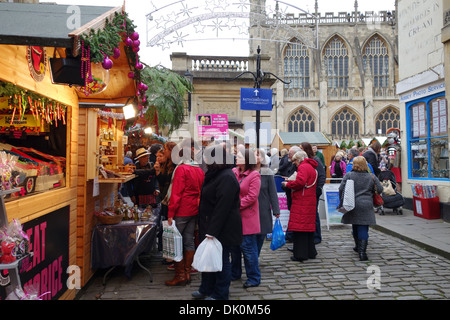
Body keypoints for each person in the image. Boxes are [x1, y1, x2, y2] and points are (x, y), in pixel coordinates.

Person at [191, 144, 242, 300]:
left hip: (222, 228)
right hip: (210, 225)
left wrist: (212, 231)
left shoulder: (226, 177)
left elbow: (222, 208)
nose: (204, 159)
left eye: (207, 156)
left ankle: (220, 293)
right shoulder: (214, 174)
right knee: (209, 259)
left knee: (221, 261)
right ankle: (206, 288)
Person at [165, 138, 205, 286]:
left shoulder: (182, 169)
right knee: (188, 241)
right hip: (194, 209)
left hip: (182, 210)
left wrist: (170, 213)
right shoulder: (199, 169)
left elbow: (176, 194)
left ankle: (180, 275)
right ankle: (187, 273)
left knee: (175, 242)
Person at [339, 156, 383, 261]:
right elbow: (380, 189)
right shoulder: (371, 176)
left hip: (352, 203)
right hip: (366, 204)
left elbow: (341, 188)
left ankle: (358, 246)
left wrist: (342, 200)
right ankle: (362, 252)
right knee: (363, 227)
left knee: (355, 224)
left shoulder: (349, 175)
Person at [231, 149, 262, 288]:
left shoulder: (254, 175)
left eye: (239, 156)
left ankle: (254, 277)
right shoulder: (234, 172)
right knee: (235, 249)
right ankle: (235, 273)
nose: (236, 157)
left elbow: (252, 197)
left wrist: (235, 206)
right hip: (234, 218)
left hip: (247, 217)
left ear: (247, 160)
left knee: (248, 249)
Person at [281, 151, 318, 262]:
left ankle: (300, 254)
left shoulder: (303, 167)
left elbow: (300, 182)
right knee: (307, 229)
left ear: (299, 160)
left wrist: (288, 184)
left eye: (295, 161)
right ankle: (311, 252)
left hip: (302, 201)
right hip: (309, 199)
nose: (294, 164)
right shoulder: (311, 166)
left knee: (300, 228)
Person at [255, 149, 280, 256]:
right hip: (248, 210)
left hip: (263, 209)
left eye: (258, 155)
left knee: (261, 236)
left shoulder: (267, 172)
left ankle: (255, 256)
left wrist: (276, 210)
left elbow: (272, 192)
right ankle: (252, 258)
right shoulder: (246, 172)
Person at [300, 142, 325, 245]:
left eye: (301, 148)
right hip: (307, 192)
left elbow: (322, 175)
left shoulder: (315, 160)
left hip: (314, 191)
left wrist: (318, 189)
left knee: (314, 213)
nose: (299, 149)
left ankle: (317, 236)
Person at [154, 141, 177, 252]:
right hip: (166, 199)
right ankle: (167, 252)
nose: (164, 151)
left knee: (169, 227)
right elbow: (164, 182)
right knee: (165, 227)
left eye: (166, 150)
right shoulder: (169, 165)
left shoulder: (175, 165)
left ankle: (171, 254)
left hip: (171, 200)